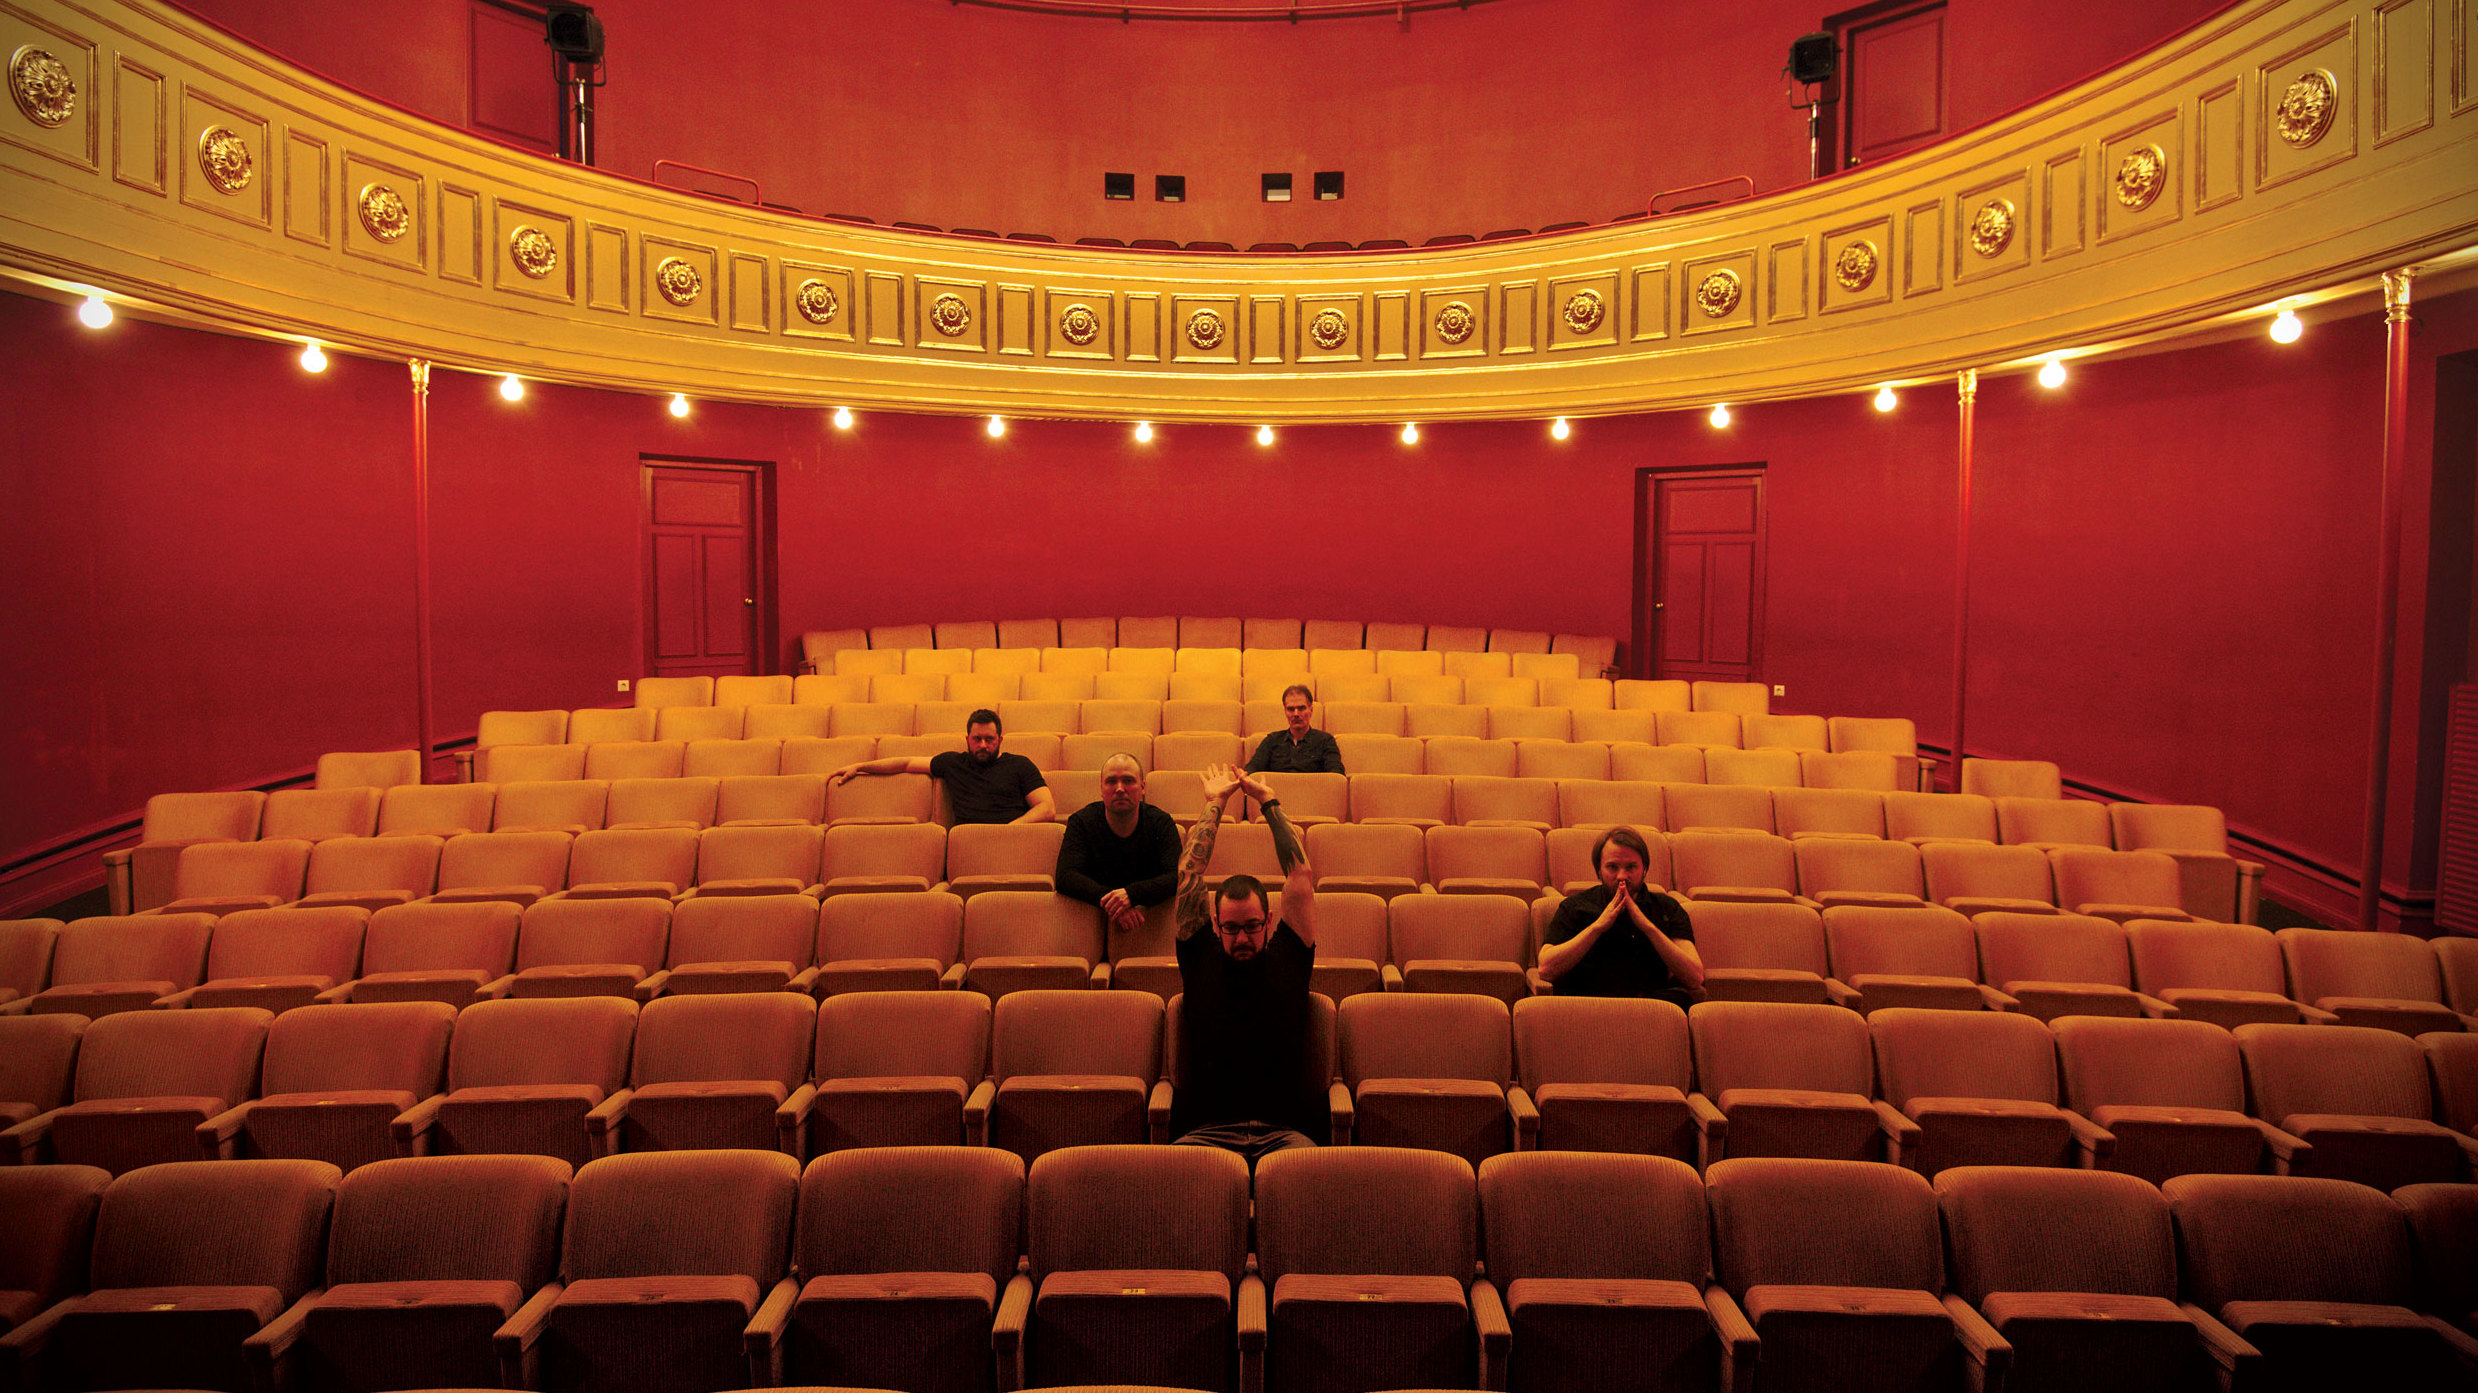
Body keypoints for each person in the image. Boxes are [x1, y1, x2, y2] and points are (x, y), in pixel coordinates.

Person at [1168, 762, 1321, 1165]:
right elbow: (1189, 872)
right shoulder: (1200, 955)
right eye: (1232, 928)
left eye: (1252, 927)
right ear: (1216, 924)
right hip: (1205, 1134)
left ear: (1269, 921)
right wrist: (1215, 804)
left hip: (1285, 1134)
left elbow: (1300, 872)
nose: (1241, 938)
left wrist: (1268, 801)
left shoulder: (1290, 955)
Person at [1535, 825, 1704, 1007]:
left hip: (1650, 1010)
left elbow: (1694, 977)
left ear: (1644, 869)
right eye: (1612, 867)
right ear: (1599, 870)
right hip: (1588, 1008)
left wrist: (1648, 927)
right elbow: (1546, 969)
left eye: (1631, 867)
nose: (1622, 876)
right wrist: (1597, 927)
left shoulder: (1667, 908)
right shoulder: (1575, 907)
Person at [826, 708, 1053, 824]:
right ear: (967, 740)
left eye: (989, 739)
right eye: (977, 739)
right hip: (967, 844)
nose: (983, 745)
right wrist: (861, 765)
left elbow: (1046, 808)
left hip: (1014, 840)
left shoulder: (1020, 765)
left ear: (1000, 740)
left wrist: (1009, 831)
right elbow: (906, 762)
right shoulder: (953, 763)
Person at [1054, 751, 1180, 936]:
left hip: (1148, 931)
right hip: (1090, 930)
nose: (1120, 788)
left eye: (1128, 781)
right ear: (1101, 788)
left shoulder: (1161, 823)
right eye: (1111, 781)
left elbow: (1176, 877)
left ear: (1143, 787)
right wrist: (1114, 903)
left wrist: (1131, 895)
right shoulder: (1081, 822)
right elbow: (1065, 876)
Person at [1245, 682, 1345, 774]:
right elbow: (1252, 770)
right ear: (1285, 711)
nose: (1296, 714)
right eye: (1291, 709)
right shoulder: (1271, 741)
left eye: (1301, 708)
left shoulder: (1326, 741)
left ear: (1311, 710)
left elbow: (1336, 776)